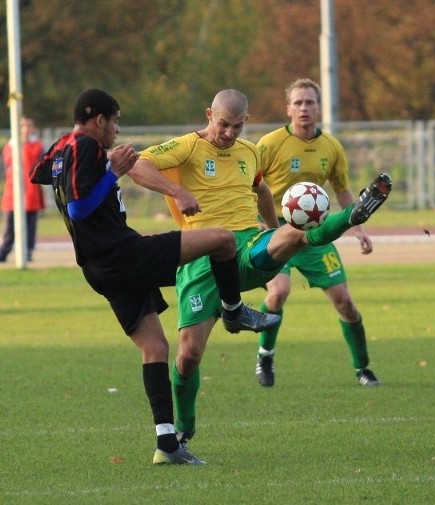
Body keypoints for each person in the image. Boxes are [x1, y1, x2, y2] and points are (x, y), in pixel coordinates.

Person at [128, 88, 392, 451]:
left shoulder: (250, 152)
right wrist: (178, 191)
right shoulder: (187, 147)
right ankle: (184, 428)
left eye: (237, 126)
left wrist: (270, 228)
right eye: (223, 125)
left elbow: (263, 191)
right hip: (199, 255)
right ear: (209, 115)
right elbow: (137, 166)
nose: (229, 133)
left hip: (246, 246)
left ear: (245, 122)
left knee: (297, 233)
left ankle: (353, 214)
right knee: (188, 357)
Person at [29, 88, 281, 466]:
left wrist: (95, 171)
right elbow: (80, 209)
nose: (116, 130)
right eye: (114, 122)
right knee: (222, 240)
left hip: (97, 268)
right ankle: (232, 309)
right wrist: (112, 171)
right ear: (99, 120)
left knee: (156, 349)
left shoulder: (61, 146)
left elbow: (40, 175)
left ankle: (167, 443)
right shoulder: (86, 146)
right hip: (122, 253)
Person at [254, 78, 380, 388]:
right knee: (279, 292)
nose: (304, 108)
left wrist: (358, 227)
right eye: (297, 103)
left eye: (309, 102)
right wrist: (256, 221)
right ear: (288, 109)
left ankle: (362, 368)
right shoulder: (269, 144)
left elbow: (343, 190)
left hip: (315, 235)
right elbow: (249, 186)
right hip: (277, 230)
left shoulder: (331, 147)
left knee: (345, 302)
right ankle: (265, 355)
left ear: (319, 107)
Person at [1, 116, 46, 262]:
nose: (25, 129)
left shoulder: (37, 146)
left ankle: (28, 251)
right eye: (22, 126)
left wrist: (25, 145)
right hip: (12, 192)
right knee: (9, 226)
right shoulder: (10, 146)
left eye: (28, 126)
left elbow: (36, 164)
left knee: (30, 225)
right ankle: (4, 250)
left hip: (31, 192)